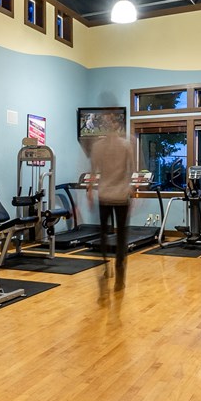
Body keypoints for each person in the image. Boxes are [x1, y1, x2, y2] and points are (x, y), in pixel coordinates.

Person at [86, 119, 135, 291]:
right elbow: (131, 171)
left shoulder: (98, 146)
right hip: (118, 196)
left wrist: (90, 191)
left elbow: (93, 173)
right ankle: (118, 275)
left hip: (107, 195)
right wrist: (133, 191)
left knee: (105, 235)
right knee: (120, 237)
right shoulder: (125, 145)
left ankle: (107, 269)